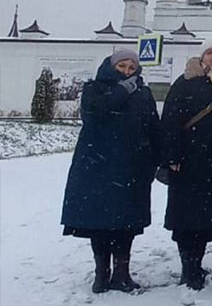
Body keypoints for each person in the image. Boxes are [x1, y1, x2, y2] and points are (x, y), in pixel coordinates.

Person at [61, 49, 160, 294]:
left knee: (127, 223)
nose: (127, 71)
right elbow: (93, 114)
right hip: (98, 165)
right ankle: (101, 274)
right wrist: (122, 90)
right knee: (100, 222)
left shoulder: (143, 93)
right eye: (122, 66)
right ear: (112, 66)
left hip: (132, 166)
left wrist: (157, 157)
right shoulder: (95, 88)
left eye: (131, 67)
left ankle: (122, 273)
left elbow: (152, 126)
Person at [162, 38, 212, 290]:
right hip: (189, 160)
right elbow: (171, 120)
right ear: (202, 56)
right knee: (186, 217)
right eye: (211, 52)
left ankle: (197, 262)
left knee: (206, 217)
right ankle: (189, 268)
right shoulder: (186, 82)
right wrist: (172, 156)